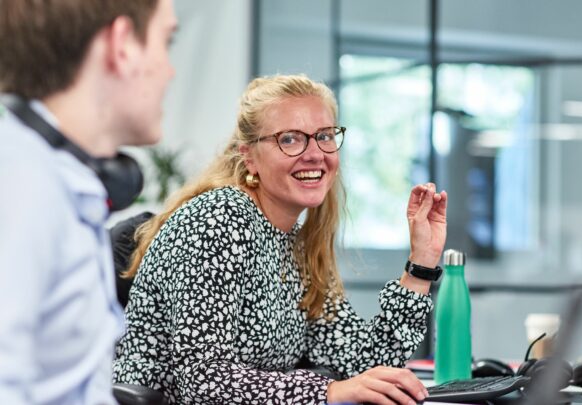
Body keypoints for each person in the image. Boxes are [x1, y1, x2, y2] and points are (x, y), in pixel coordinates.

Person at [113, 74, 448, 405]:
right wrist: (326, 392)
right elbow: (204, 382)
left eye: (325, 136)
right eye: (290, 139)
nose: (315, 154)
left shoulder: (298, 245)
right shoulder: (220, 217)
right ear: (250, 157)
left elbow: (364, 368)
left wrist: (421, 264)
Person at [0, 1, 177, 404]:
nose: (170, 70)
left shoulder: (63, 186)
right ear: (122, 46)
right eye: (167, 41)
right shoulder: (25, 189)